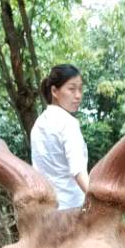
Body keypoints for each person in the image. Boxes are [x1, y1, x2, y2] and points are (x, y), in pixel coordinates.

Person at [31, 64, 89, 210]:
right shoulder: (68, 123)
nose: (78, 95)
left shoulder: (38, 125)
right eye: (72, 89)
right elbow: (78, 170)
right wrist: (97, 200)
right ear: (54, 91)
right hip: (74, 211)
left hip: (47, 212)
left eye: (80, 89)